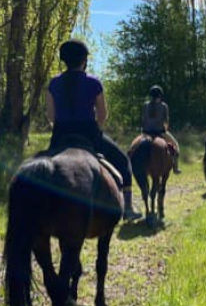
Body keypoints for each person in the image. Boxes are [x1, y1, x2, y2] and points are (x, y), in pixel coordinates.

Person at [45, 39, 141, 220]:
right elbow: (103, 114)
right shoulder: (94, 82)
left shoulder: (53, 84)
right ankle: (127, 208)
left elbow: (51, 116)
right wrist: (95, 129)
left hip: (60, 135)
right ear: (84, 60)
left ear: (64, 60)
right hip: (88, 133)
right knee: (123, 162)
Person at [141, 85, 181, 174]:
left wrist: (143, 131)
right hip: (159, 132)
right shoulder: (164, 106)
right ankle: (175, 167)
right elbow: (166, 121)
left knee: (133, 148)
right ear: (160, 95)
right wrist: (165, 129)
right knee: (176, 146)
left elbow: (143, 120)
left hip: (146, 133)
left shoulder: (145, 105)